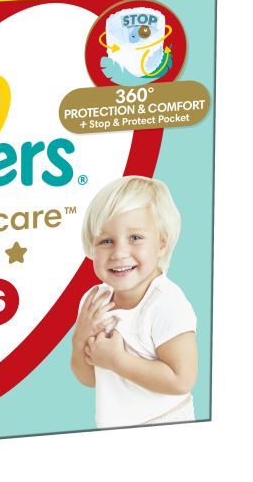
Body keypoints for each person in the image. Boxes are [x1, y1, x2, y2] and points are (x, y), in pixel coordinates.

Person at [71, 175, 197, 428]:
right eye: (106, 241)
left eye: (135, 237)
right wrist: (80, 336)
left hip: (165, 424)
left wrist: (117, 360)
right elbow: (88, 378)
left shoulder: (165, 304)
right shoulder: (94, 302)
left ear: (162, 242)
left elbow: (181, 380)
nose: (119, 253)